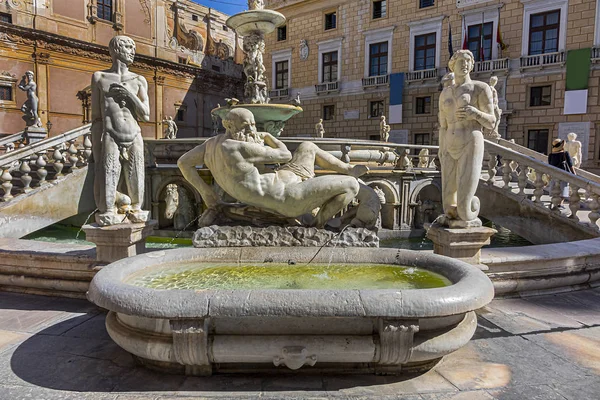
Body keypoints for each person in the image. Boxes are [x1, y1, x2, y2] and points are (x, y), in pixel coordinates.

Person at [178, 108, 368, 228]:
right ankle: (316, 227)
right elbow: (284, 154)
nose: (252, 131)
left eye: (253, 125)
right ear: (228, 125)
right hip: (289, 198)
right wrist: (269, 137)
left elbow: (183, 162)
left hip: (285, 179)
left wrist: (206, 192)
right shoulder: (238, 147)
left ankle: (348, 168)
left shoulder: (210, 144)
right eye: (246, 126)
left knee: (308, 147)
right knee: (351, 186)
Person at [91, 36, 150, 226]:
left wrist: (130, 95)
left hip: (134, 135)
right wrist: (95, 150)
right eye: (127, 46)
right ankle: (108, 211)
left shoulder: (139, 80)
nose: (132, 51)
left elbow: (146, 115)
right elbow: (96, 118)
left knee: (136, 178)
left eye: (133, 47)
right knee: (108, 173)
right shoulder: (99, 77)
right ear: (115, 49)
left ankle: (137, 209)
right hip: (111, 134)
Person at [438, 50, 496, 226]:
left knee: (464, 208)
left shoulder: (480, 88)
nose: (465, 64)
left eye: (468, 61)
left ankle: (468, 218)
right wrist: (441, 149)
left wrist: (475, 113)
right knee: (448, 205)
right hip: (449, 143)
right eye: (461, 61)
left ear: (472, 65)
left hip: (470, 141)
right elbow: (443, 126)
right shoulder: (445, 93)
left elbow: (491, 122)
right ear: (452, 65)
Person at [548, 138, 576, 207]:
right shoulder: (565, 153)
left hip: (554, 175)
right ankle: (560, 204)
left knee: (555, 190)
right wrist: (574, 173)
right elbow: (570, 165)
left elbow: (549, 165)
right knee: (563, 190)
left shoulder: (551, 155)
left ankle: (554, 203)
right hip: (563, 175)